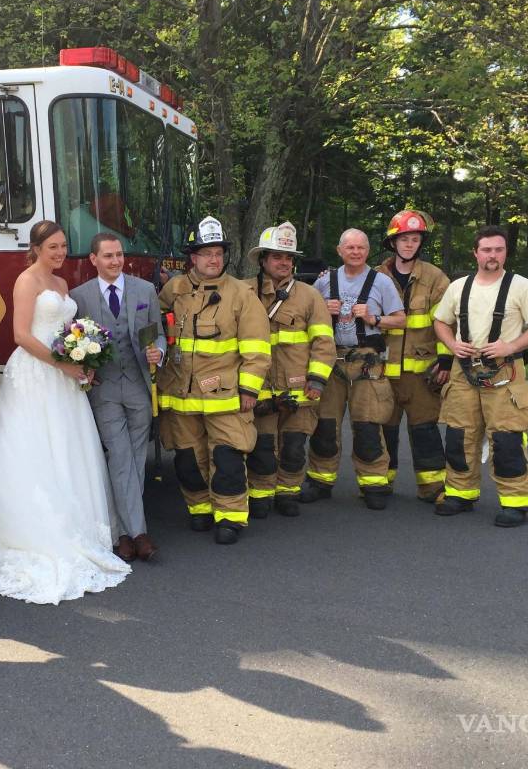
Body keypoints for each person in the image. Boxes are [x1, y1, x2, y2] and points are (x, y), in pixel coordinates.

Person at [0, 220, 131, 603]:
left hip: (62, 376)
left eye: (63, 246)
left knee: (67, 447)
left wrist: (81, 356)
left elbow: (67, 331)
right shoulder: (27, 281)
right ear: (35, 248)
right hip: (36, 372)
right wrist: (61, 363)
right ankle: (35, 532)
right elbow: (21, 334)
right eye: (52, 247)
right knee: (34, 444)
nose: (59, 253)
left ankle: (77, 525)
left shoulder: (62, 285)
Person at [157, 216, 271, 544]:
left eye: (218, 253)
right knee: (188, 458)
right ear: (192, 257)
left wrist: (250, 389)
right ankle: (200, 510)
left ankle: (230, 516)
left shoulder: (241, 295)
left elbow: (257, 348)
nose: (213, 259)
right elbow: (153, 328)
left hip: (225, 395)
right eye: (206, 253)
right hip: (180, 394)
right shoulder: (174, 289)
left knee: (227, 457)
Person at [432, 225, 528, 527]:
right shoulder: (459, 287)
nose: (492, 255)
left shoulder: (521, 286)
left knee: (506, 438)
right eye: (486, 249)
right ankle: (460, 493)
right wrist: (451, 344)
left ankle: (516, 502)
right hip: (464, 372)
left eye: (498, 249)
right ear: (476, 252)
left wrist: (511, 345)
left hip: (505, 373)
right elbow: (441, 322)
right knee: (460, 435)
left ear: (506, 252)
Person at [69, 232, 166, 562]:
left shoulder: (145, 291)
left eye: (119, 255)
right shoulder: (79, 297)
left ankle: (123, 534)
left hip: (139, 385)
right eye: (108, 256)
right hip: (105, 389)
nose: (115, 261)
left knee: (136, 460)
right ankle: (139, 534)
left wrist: (159, 353)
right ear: (93, 260)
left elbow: (160, 335)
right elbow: (74, 341)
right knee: (120, 455)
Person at [302, 228, 405, 509]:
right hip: (331, 361)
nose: (356, 252)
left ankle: (373, 484)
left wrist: (375, 318)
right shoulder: (324, 282)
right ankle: (320, 481)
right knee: (325, 425)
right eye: (350, 247)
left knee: (368, 425)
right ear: (339, 251)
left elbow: (401, 320)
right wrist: (323, 308)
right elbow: (304, 315)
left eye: (361, 247)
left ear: (368, 251)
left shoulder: (382, 282)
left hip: (366, 363)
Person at [243, 222, 336, 518]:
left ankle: (287, 492)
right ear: (262, 260)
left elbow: (323, 342)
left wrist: (318, 381)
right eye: (276, 257)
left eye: (288, 258)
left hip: (299, 389)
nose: (284, 263)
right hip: (260, 388)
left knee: (294, 447)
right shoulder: (244, 292)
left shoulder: (310, 296)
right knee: (262, 448)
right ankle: (260, 494)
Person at [375, 210, 452, 503]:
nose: (409, 244)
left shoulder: (434, 278)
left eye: (415, 239)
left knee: (425, 429)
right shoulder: (376, 277)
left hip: (421, 373)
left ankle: (432, 488)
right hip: (382, 370)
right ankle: (380, 483)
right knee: (383, 429)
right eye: (404, 239)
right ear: (393, 243)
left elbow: (445, 323)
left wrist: (445, 360)